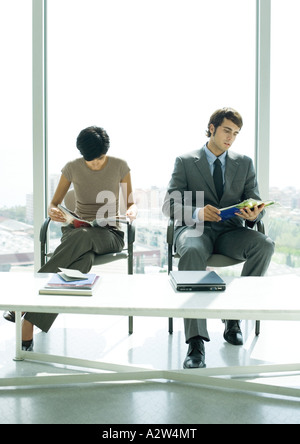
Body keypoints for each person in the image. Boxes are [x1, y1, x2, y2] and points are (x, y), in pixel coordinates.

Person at [4, 126, 137, 351]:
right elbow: (53, 203)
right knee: (80, 264)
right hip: (78, 231)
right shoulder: (72, 168)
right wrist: (52, 211)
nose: (95, 164)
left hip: (109, 234)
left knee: (83, 238)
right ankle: (29, 323)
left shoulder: (120, 166)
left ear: (107, 151)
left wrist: (132, 212)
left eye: (100, 158)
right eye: (90, 160)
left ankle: (26, 300)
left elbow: (131, 203)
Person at [162, 107, 275, 369]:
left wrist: (253, 213)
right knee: (191, 251)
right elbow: (169, 205)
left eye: (235, 133)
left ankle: (233, 316)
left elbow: (253, 200)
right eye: (227, 130)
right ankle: (195, 341)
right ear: (211, 128)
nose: (231, 138)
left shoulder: (244, 163)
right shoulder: (186, 161)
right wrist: (197, 212)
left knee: (265, 245)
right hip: (196, 229)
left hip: (231, 231)